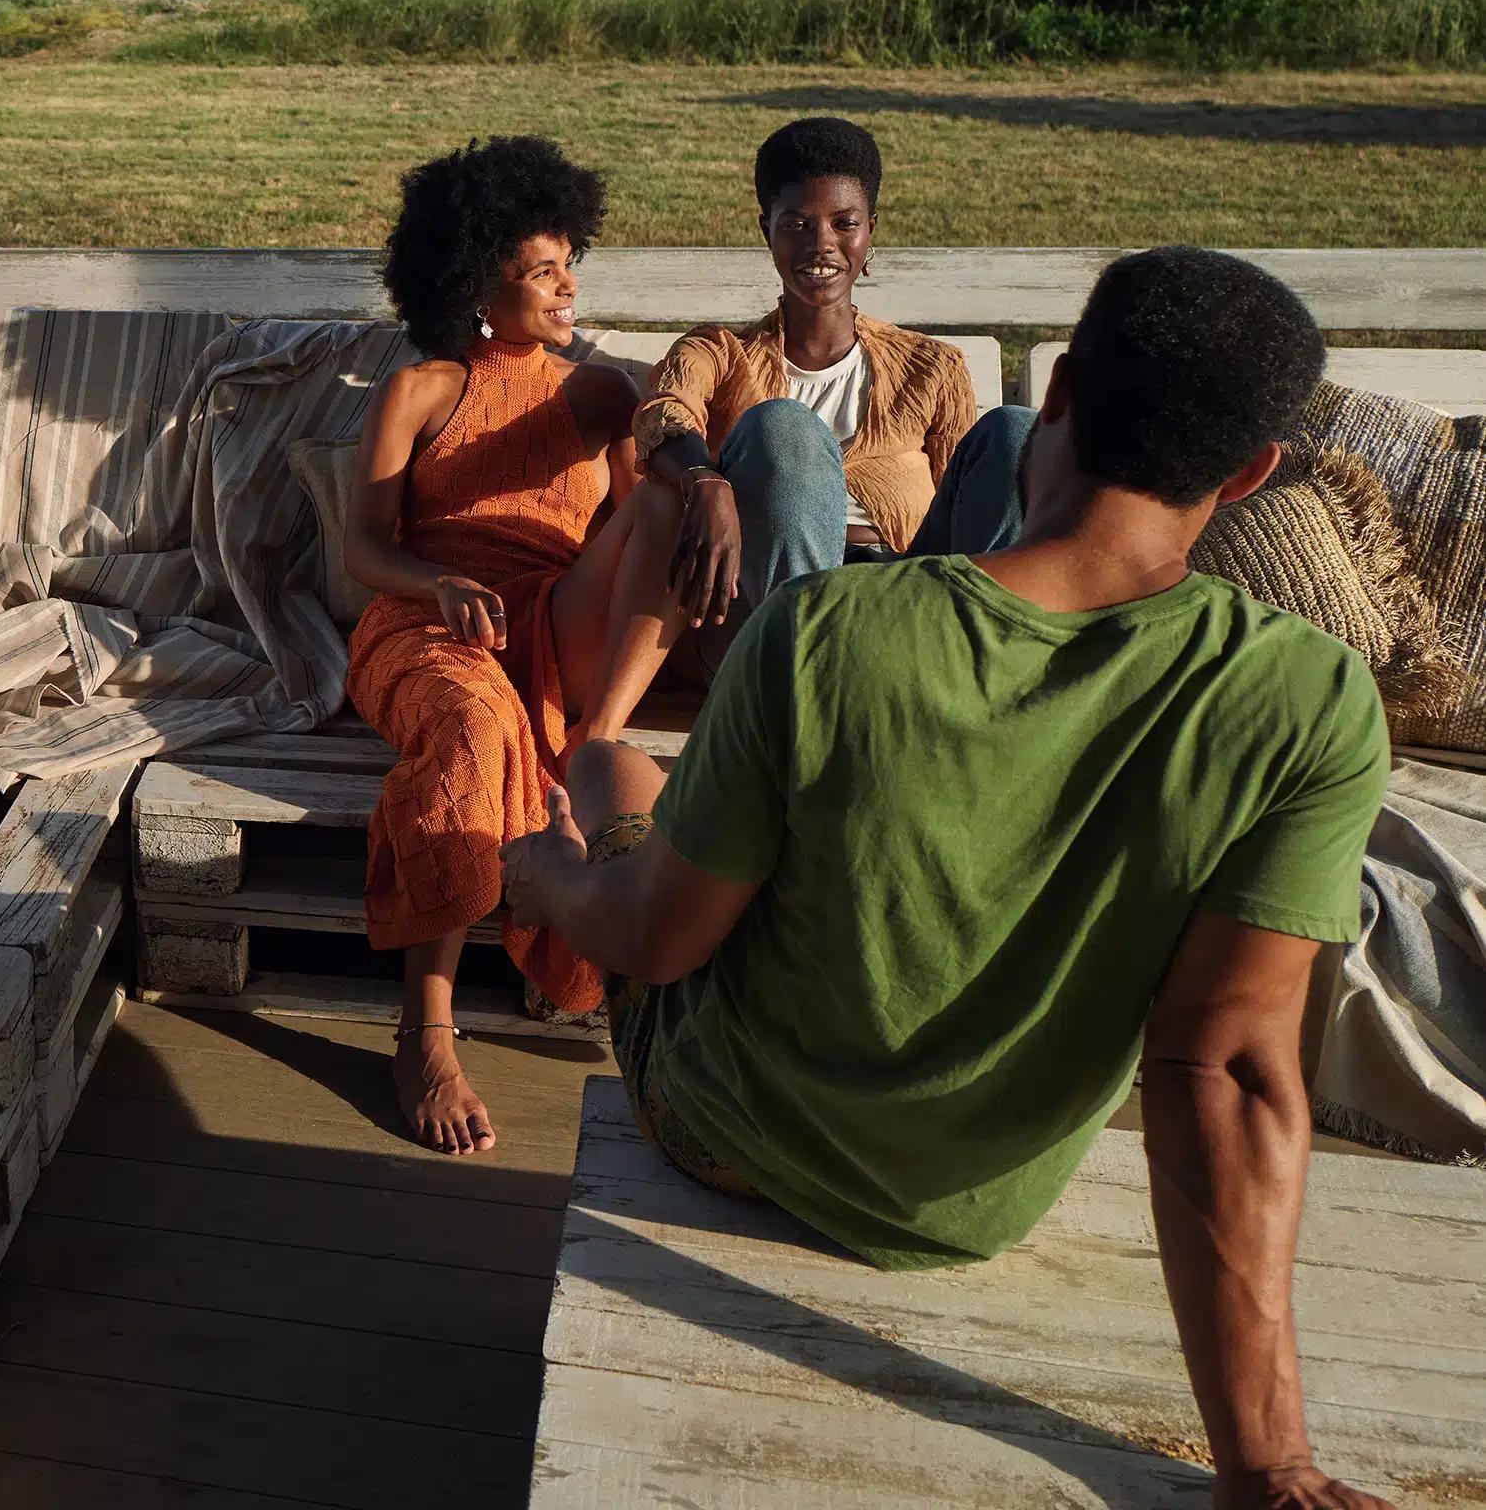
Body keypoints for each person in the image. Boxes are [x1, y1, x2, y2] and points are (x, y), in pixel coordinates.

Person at [503, 246, 1395, 1510]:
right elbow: (1231, 1064)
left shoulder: (823, 633)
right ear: (1248, 474)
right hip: (972, 1201)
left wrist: (542, 887)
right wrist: (1270, 1463)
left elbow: (652, 945)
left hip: (732, 1136)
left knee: (610, 791)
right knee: (627, 796)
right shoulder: (1308, 701)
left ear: (1065, 393)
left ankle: (582, 793)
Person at [345, 137, 695, 1155]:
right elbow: (366, 546)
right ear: (478, 279)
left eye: (568, 262)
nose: (567, 285)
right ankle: (426, 1028)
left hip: (553, 619)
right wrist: (439, 580)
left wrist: (698, 480)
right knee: (471, 725)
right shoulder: (420, 392)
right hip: (424, 622)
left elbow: (642, 543)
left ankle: (597, 737)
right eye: (542, 270)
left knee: (674, 492)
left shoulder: (599, 396)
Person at [622, 116, 975, 686]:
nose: (821, 246)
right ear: (767, 230)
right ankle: (812, 692)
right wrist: (706, 481)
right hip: (763, 616)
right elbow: (666, 414)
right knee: (785, 426)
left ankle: (982, 674)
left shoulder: (931, 368)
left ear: (871, 231)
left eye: (844, 223)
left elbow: (968, 506)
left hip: (897, 602)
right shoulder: (719, 351)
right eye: (797, 224)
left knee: (1009, 432)